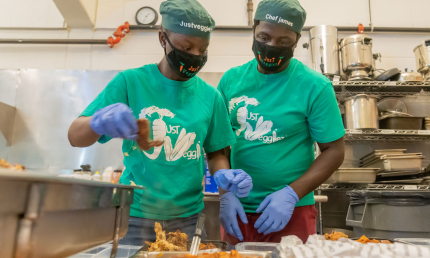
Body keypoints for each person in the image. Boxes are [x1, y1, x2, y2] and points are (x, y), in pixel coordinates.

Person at [68, 0, 252, 245]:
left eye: (203, 49)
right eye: (185, 46)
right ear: (162, 38)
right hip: (133, 217)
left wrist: (225, 185)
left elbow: (217, 153)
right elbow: (74, 136)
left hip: (188, 219)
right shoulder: (130, 82)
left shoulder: (211, 96)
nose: (195, 56)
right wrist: (99, 122)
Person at [217, 0, 345, 244]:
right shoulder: (231, 81)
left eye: (283, 42)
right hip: (238, 210)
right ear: (253, 30)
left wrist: (291, 194)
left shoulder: (314, 86)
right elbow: (219, 147)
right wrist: (225, 194)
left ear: (297, 41)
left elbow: (334, 151)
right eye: (264, 37)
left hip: (290, 211)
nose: (271, 47)